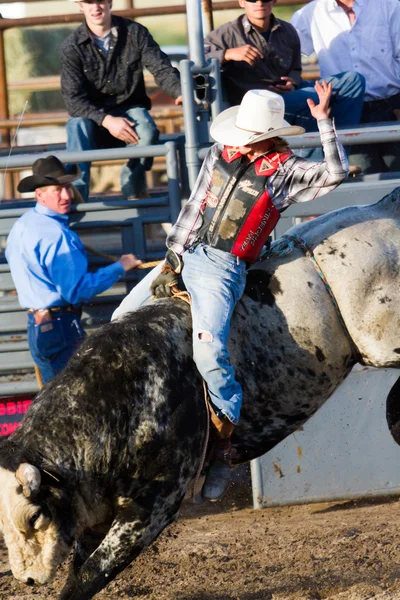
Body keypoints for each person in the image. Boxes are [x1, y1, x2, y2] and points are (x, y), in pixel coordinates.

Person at [112, 82, 349, 501]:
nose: (243, 144)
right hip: (187, 254)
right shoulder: (219, 154)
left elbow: (335, 174)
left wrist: (324, 123)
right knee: (119, 321)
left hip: (223, 267)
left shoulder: (285, 170)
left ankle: (222, 448)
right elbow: (197, 203)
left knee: (209, 352)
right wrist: (172, 257)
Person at [6, 155, 142, 385]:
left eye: (67, 188)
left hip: (40, 326)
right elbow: (76, 291)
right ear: (40, 194)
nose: (67, 196)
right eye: (57, 190)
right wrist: (119, 267)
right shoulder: (57, 235)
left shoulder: (23, 224)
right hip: (60, 327)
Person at [60, 0, 183, 201]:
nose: (95, 7)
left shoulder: (135, 33)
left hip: (129, 109)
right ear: (80, 5)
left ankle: (134, 185)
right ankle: (76, 194)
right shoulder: (71, 46)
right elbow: (73, 100)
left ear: (109, 2)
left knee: (146, 129)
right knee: (77, 126)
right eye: (88, 2)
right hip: (92, 117)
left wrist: (179, 91)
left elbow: (160, 68)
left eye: (100, 1)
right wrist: (107, 120)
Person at [204, 0, 365, 137]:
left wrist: (292, 83)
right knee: (309, 104)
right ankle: (327, 154)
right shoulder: (225, 33)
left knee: (353, 80)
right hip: (256, 106)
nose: (259, 3)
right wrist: (227, 54)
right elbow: (196, 62)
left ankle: (338, 149)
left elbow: (295, 69)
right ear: (241, 2)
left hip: (288, 97)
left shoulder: (287, 30)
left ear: (274, 1)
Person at [291, 0, 400, 173]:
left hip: (392, 108)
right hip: (344, 112)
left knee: (396, 175)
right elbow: (285, 50)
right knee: (363, 181)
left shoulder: (390, 6)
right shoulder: (309, 14)